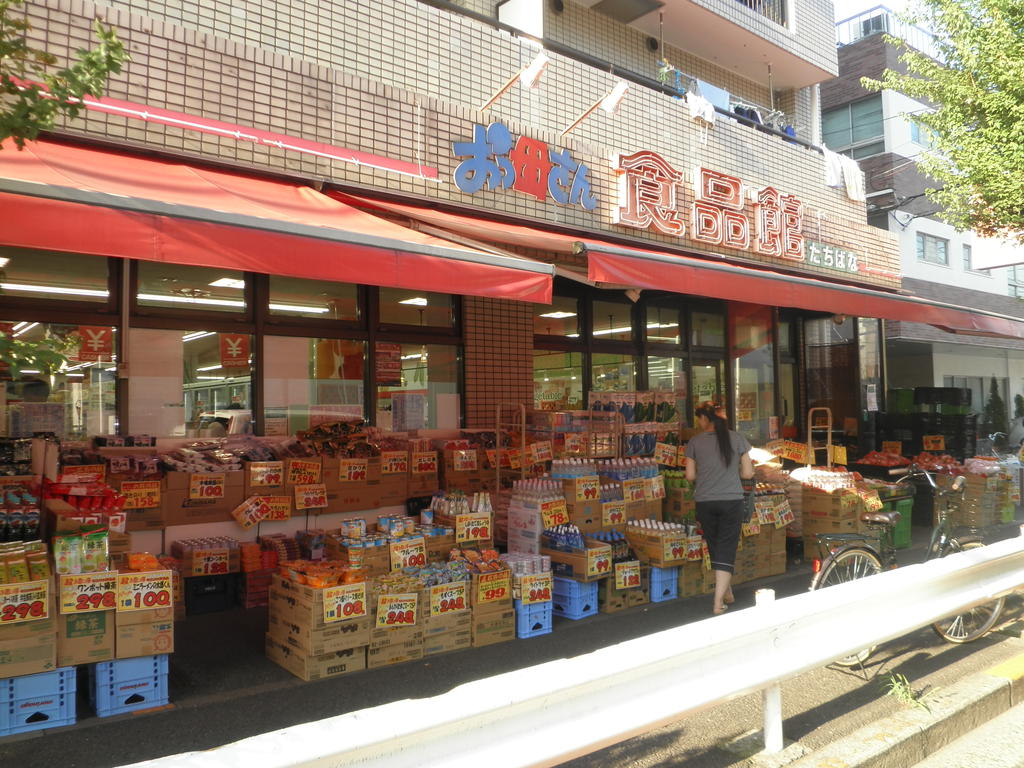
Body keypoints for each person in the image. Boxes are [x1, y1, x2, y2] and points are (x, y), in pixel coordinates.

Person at [685, 401, 754, 616]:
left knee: (715, 546)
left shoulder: (694, 442)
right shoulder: (737, 439)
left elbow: (690, 476)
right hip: (731, 501)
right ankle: (718, 602)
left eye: (699, 418)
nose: (698, 422)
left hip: (705, 501)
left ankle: (726, 593)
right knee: (726, 548)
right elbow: (748, 474)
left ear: (705, 419)